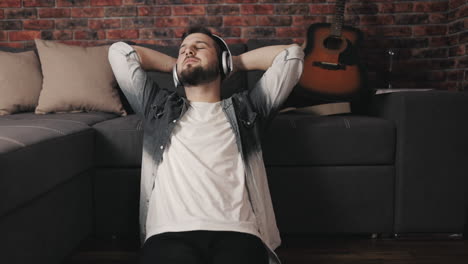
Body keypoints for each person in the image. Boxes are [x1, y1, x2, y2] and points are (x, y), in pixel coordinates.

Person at [108, 26, 304, 264]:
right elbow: (119, 53)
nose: (188, 51)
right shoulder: (157, 107)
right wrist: (178, 65)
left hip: (238, 232)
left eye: (199, 46)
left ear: (223, 61)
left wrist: (233, 62)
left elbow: (292, 55)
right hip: (169, 233)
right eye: (183, 50)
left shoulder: (248, 109)